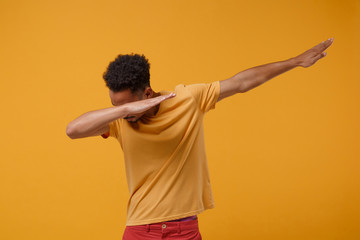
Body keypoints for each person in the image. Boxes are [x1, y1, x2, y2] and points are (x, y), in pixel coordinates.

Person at [66, 38, 334, 240]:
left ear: (147, 93)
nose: (123, 114)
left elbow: (242, 82)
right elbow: (73, 130)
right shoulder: (118, 119)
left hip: (185, 228)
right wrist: (124, 110)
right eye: (115, 106)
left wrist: (295, 61)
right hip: (140, 229)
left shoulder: (188, 99)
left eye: (128, 105)